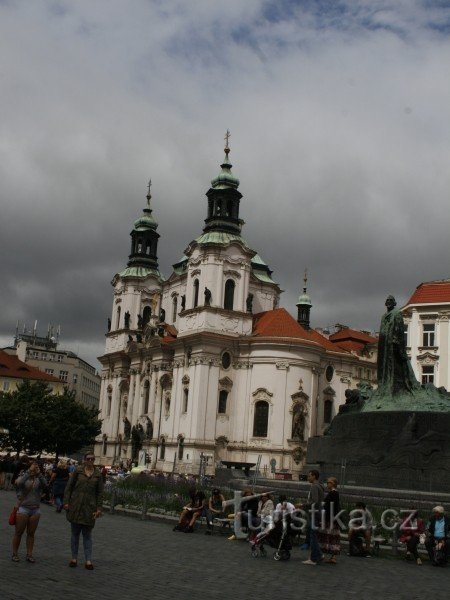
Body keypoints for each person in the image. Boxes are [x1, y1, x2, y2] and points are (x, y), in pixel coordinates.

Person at [63, 453, 104, 570]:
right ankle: (74, 558)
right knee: (75, 534)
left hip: (89, 508)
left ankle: (88, 560)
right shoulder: (78, 471)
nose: (90, 461)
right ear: (84, 460)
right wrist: (66, 502)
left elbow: (100, 493)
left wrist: (99, 508)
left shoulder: (98, 474)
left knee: (87, 535)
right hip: (76, 506)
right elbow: (69, 487)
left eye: (92, 459)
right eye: (88, 459)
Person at [377, 295, 419, 395]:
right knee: (384, 366)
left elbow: (399, 328)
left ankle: (394, 387)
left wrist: (396, 341)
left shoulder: (397, 313)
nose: (389, 302)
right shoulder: (383, 316)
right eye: (387, 300)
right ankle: (384, 385)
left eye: (391, 300)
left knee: (393, 366)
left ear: (394, 303)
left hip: (393, 344)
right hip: (384, 344)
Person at [12, 460, 47, 562]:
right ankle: (15, 553)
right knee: (18, 532)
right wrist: (28, 472)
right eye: (33, 467)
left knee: (31, 533)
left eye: (36, 468)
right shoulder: (23, 476)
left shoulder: (39, 479)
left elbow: (45, 485)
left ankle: (29, 554)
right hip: (23, 508)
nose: (34, 470)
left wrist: (39, 474)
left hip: (35, 509)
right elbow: (19, 483)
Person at [302, 470, 325, 565]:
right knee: (313, 534)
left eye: (309, 476)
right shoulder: (320, 486)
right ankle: (318, 555)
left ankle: (315, 558)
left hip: (314, 513)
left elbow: (314, 501)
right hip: (317, 512)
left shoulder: (314, 486)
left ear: (314, 476)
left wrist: (303, 504)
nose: (308, 478)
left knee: (313, 535)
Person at [318, 477, 341, 564]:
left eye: (329, 482)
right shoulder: (333, 493)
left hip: (330, 519)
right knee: (332, 537)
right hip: (331, 518)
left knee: (330, 536)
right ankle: (332, 556)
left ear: (333, 484)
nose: (327, 484)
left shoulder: (333, 493)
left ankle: (327, 555)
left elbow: (330, 507)